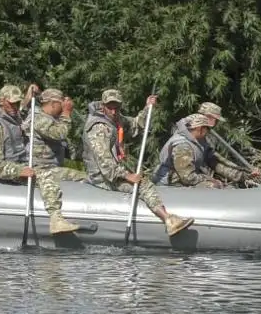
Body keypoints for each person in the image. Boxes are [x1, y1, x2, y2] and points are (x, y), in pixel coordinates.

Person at [81, 89, 194, 237]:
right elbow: (105, 164)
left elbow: (134, 125)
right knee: (143, 184)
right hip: (102, 176)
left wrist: (148, 108)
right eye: (110, 107)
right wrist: (127, 175)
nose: (114, 111)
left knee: (143, 176)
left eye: (117, 107)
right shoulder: (98, 129)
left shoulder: (116, 119)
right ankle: (168, 220)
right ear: (103, 106)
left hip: (114, 169)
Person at [0, 85, 81, 235]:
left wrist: (28, 96)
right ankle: (56, 219)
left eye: (17, 103)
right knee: (44, 175)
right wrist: (20, 171)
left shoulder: (13, 117)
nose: (15, 107)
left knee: (62, 174)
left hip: (18, 164)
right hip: (3, 172)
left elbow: (23, 110)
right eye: (11, 103)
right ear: (2, 101)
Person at [153, 113, 250, 188]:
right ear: (200, 128)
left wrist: (241, 176)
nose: (208, 131)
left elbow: (214, 161)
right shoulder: (183, 146)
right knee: (213, 187)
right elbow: (188, 177)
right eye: (207, 128)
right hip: (169, 183)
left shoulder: (198, 142)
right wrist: (210, 179)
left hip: (181, 180)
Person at [21, 88, 89, 173]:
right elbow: (59, 134)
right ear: (53, 104)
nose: (63, 107)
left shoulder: (51, 118)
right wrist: (66, 113)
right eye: (61, 104)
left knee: (84, 178)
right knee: (83, 179)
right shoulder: (38, 118)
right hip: (40, 168)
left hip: (50, 166)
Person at [194, 102, 261, 184]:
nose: (215, 123)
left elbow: (216, 162)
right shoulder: (186, 138)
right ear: (206, 117)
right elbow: (186, 177)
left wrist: (245, 175)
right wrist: (212, 182)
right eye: (214, 119)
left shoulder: (203, 139)